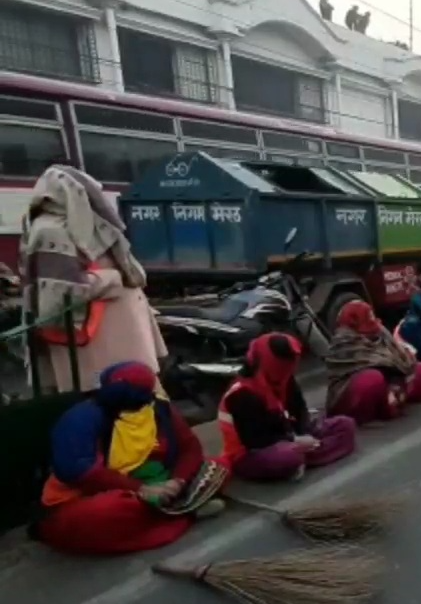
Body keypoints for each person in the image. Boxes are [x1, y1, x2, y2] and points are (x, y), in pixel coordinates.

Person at [36, 362, 219, 554]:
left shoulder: (160, 408)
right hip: (97, 494)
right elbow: (78, 472)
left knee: (217, 467)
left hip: (160, 482)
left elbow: (189, 448)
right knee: (101, 513)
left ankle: (169, 508)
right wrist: (141, 489)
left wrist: (178, 481)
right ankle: (180, 510)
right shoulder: (82, 418)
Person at [22, 165, 166, 392]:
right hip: (96, 342)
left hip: (118, 334)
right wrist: (113, 279)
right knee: (112, 401)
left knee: (138, 395)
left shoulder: (84, 223)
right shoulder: (51, 230)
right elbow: (62, 292)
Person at [219, 334, 357, 482]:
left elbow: (299, 411)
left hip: (288, 434)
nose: (287, 369)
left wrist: (304, 433)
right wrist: (295, 440)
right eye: (281, 365)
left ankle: (303, 459)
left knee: (345, 425)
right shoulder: (242, 394)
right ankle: (303, 458)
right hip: (252, 452)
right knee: (289, 455)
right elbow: (256, 440)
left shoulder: (285, 378)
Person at [325, 301, 421, 425]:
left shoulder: (378, 330)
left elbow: (397, 358)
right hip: (351, 395)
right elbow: (376, 365)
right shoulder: (343, 342)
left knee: (420, 369)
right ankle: (377, 410)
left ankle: (395, 397)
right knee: (372, 379)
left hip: (391, 382)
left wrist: (395, 383)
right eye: (368, 316)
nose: (372, 319)